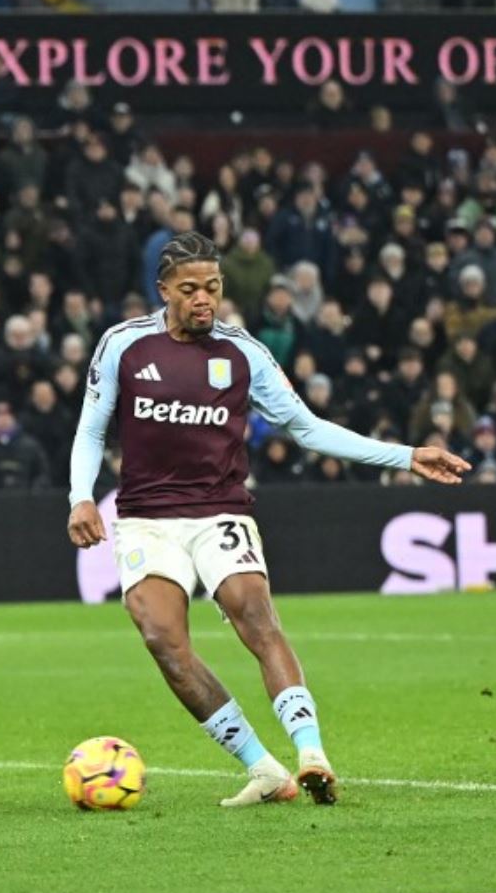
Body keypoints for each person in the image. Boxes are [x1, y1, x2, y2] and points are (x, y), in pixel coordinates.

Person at [65, 232, 468, 808]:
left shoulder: (244, 353)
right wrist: (81, 497)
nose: (205, 299)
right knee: (163, 641)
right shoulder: (123, 345)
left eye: (213, 287)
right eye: (190, 290)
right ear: (164, 292)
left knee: (254, 612)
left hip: (220, 510)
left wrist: (405, 455)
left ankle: (311, 754)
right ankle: (263, 769)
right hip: (147, 519)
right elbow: (90, 429)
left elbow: (307, 428)